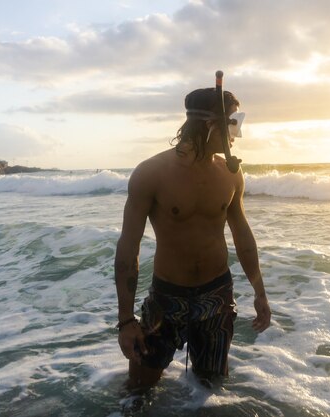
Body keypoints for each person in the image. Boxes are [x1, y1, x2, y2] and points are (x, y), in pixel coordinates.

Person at [114, 87, 271, 391]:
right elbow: (127, 249)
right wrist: (125, 320)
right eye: (234, 123)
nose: (238, 133)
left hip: (217, 297)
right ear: (212, 125)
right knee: (137, 390)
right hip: (166, 299)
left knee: (209, 389)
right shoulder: (151, 173)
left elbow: (242, 235)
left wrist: (260, 292)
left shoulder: (230, 173)